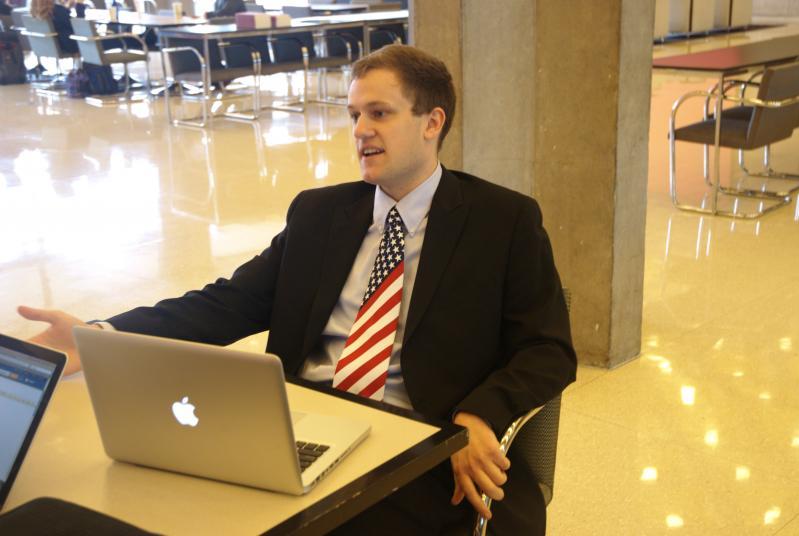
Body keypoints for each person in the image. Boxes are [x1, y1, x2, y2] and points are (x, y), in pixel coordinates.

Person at [18, 44, 576, 535]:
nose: (360, 130)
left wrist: (479, 414)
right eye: (354, 114)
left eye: (379, 113)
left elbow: (547, 349)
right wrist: (101, 333)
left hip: (418, 442)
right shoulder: (319, 213)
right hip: (296, 428)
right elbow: (228, 302)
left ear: (433, 122)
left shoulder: (502, 222)